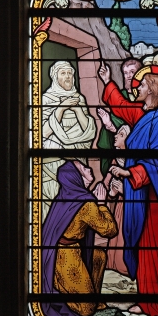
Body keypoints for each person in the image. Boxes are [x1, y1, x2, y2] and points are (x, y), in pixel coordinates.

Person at [98, 63, 158, 316]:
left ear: (151, 89)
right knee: (141, 245)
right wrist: (108, 83)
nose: (136, 87)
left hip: (153, 199)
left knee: (155, 247)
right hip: (139, 197)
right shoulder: (145, 116)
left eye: (140, 84)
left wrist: (131, 173)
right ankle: (148, 300)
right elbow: (120, 105)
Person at [41, 160, 118, 316]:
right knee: (85, 310)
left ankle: (92, 299)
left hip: (58, 255)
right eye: (83, 168)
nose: (88, 168)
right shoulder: (86, 204)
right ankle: (76, 301)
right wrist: (102, 204)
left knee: (98, 255)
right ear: (77, 177)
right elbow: (108, 230)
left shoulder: (67, 197)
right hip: (67, 258)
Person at [42, 61, 96, 218]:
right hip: (51, 166)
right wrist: (61, 108)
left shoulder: (79, 98)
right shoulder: (46, 99)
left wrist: (77, 110)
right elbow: (42, 134)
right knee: (51, 207)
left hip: (76, 163)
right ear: (54, 76)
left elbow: (89, 131)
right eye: (63, 73)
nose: (68, 77)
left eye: (70, 73)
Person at [97, 58, 141, 176]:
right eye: (125, 73)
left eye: (132, 72)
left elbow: (122, 107)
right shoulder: (120, 95)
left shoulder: (146, 102)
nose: (129, 76)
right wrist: (109, 126)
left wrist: (111, 126)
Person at [102, 124, 131, 275]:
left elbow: (146, 190)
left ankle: (124, 267)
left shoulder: (135, 162)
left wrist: (125, 191)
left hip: (132, 208)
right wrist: (112, 193)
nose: (116, 136)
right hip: (119, 206)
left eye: (121, 134)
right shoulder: (116, 161)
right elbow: (106, 186)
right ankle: (113, 264)